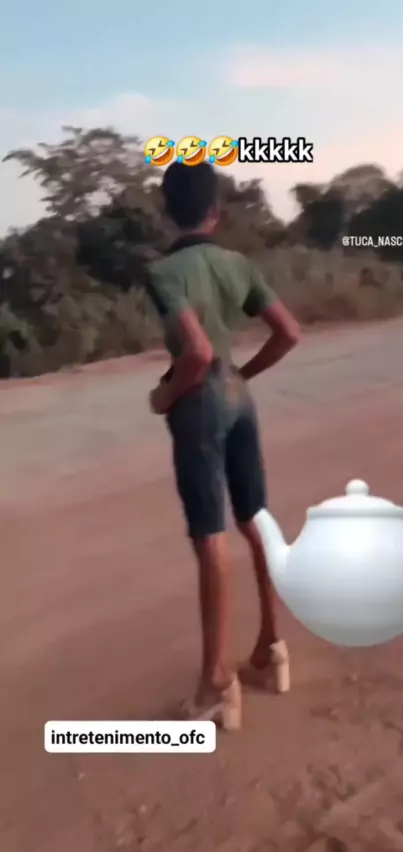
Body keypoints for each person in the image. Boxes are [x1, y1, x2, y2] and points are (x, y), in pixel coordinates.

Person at [147, 161, 300, 730]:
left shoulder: (164, 272)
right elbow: (289, 332)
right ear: (216, 210)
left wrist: (164, 396)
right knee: (254, 519)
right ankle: (271, 649)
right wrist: (242, 376)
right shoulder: (239, 264)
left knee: (210, 536)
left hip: (198, 406)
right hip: (238, 397)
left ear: (169, 210)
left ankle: (215, 683)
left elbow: (196, 353)